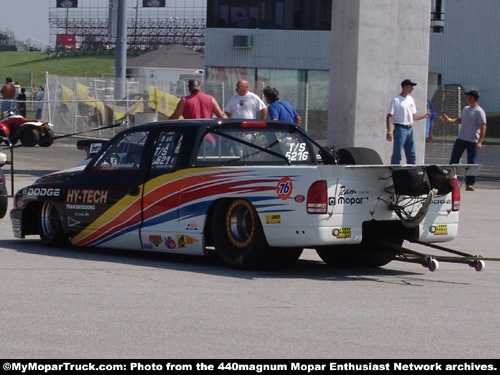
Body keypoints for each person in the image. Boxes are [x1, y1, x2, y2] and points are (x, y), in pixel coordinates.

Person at [441, 90, 487, 191]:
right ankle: (450, 180)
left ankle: (469, 183)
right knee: (454, 160)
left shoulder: (479, 111)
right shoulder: (466, 109)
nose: (466, 99)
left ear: (473, 98)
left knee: (471, 162)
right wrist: (449, 120)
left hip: (472, 140)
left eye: (467, 97)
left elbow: (483, 127)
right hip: (461, 139)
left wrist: (480, 141)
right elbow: (460, 120)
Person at [386, 79, 431, 164]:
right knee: (397, 154)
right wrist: (389, 131)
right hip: (400, 128)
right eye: (410, 87)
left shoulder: (411, 99)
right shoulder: (396, 100)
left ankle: (412, 172)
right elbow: (389, 116)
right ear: (405, 87)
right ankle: (395, 171)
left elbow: (413, 116)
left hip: (409, 129)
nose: (412, 89)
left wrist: (424, 116)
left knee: (411, 153)